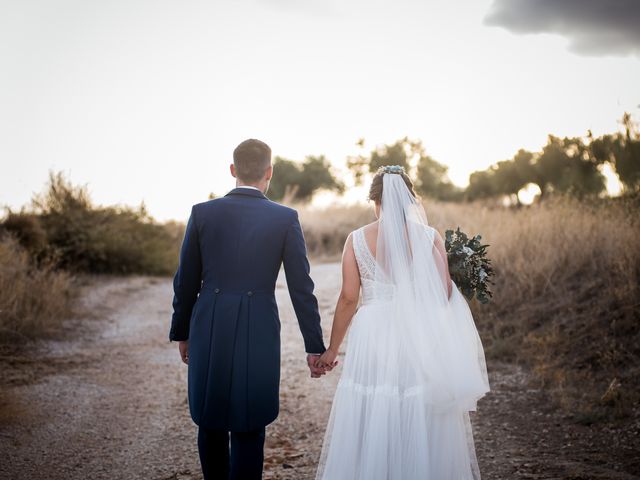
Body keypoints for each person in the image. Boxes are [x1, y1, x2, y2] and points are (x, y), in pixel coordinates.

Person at [169, 139, 332, 480]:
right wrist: (314, 346)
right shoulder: (285, 218)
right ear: (269, 173)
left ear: (233, 170)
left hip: (209, 323)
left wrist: (183, 332)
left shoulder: (202, 212)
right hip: (258, 327)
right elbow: (302, 288)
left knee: (211, 420)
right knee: (250, 423)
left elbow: (185, 281)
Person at [316, 166, 490, 480]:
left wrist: (332, 348)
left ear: (374, 200)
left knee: (374, 405)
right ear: (410, 200)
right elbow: (444, 293)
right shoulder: (430, 236)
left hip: (375, 335)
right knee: (418, 404)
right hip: (419, 334)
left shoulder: (356, 240)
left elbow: (348, 299)